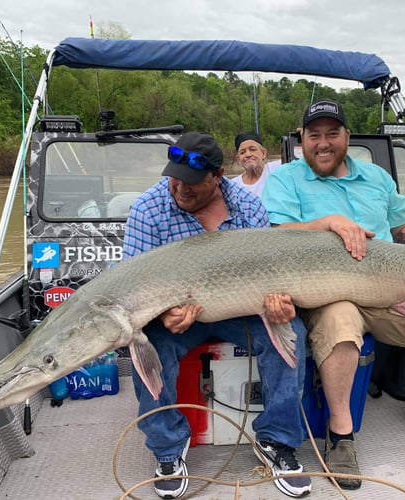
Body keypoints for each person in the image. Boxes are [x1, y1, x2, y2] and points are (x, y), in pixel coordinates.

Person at [261, 100, 405, 490]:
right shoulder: (285, 179)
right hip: (328, 294)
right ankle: (341, 433)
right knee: (341, 321)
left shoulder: (377, 177)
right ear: (302, 140)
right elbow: (277, 239)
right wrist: (330, 223)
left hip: (388, 289)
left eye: (332, 134)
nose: (323, 143)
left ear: (347, 137)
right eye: (314, 135)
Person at [123, 131, 311, 499]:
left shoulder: (247, 206)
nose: (180, 189)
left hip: (237, 308)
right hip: (176, 318)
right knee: (149, 345)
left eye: (192, 182)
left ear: (218, 176)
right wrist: (165, 317)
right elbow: (132, 288)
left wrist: (281, 301)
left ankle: (277, 440)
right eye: (174, 178)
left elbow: (269, 271)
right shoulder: (148, 209)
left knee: (292, 331)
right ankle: (167, 449)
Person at [231, 131, 281, 197]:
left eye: (252, 149)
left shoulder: (278, 168)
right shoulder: (234, 186)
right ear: (238, 159)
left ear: (263, 153)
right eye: (242, 152)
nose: (248, 155)